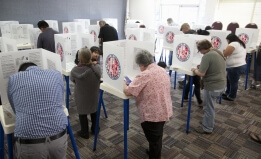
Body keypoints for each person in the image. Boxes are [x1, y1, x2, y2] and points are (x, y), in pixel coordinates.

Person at [7, 62, 68, 159]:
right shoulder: (56, 74)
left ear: (21, 72)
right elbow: (59, 100)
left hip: (30, 143)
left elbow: (15, 110)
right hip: (59, 137)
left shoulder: (13, 79)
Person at [123, 50, 173, 159]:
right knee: (156, 136)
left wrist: (123, 82)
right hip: (164, 109)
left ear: (142, 64)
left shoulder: (145, 74)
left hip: (152, 114)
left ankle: (154, 155)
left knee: (155, 139)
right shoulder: (161, 69)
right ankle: (153, 151)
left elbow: (128, 91)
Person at [192, 40, 226, 134]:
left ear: (203, 49)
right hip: (221, 84)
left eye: (200, 51)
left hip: (212, 86)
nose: (201, 53)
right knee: (211, 106)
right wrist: (202, 66)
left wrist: (194, 70)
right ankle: (208, 122)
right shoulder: (217, 52)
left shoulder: (207, 56)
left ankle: (207, 128)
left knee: (208, 108)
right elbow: (214, 66)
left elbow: (201, 73)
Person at [70, 48, 101, 139]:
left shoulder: (75, 71)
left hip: (81, 96)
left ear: (79, 58)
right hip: (93, 95)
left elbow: (73, 80)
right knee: (94, 111)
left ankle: (84, 132)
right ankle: (95, 129)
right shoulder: (97, 68)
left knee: (82, 113)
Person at [183, 30, 210, 106]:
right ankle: (199, 101)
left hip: (190, 64)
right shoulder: (199, 44)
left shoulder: (193, 42)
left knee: (191, 82)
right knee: (197, 84)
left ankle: (185, 97)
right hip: (194, 65)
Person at [222, 34, 247, 101]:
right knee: (230, 80)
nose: (227, 41)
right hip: (239, 65)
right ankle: (227, 92)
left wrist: (224, 50)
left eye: (227, 40)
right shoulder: (240, 43)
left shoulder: (233, 44)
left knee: (233, 82)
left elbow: (225, 54)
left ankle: (231, 96)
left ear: (229, 39)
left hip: (235, 66)